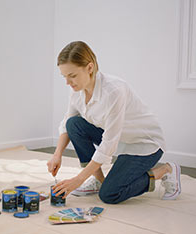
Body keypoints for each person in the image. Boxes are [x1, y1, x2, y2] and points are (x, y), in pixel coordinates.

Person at [48, 41, 181, 204]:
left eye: (72, 75)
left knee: (110, 194)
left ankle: (165, 170)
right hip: (118, 140)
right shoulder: (76, 90)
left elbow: (108, 145)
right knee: (74, 124)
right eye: (65, 76)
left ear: (90, 68)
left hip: (144, 145)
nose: (68, 82)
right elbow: (68, 122)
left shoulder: (114, 91)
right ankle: (97, 180)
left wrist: (78, 179)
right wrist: (57, 155)